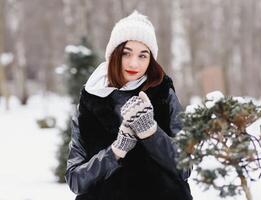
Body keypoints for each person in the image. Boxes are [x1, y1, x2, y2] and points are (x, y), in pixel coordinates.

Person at [65, 10, 193, 200]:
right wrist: (117, 150)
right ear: (114, 54)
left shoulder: (163, 92)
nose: (134, 63)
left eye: (143, 55)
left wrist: (150, 131)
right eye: (127, 53)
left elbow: (185, 167)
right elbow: (76, 180)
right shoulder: (91, 97)